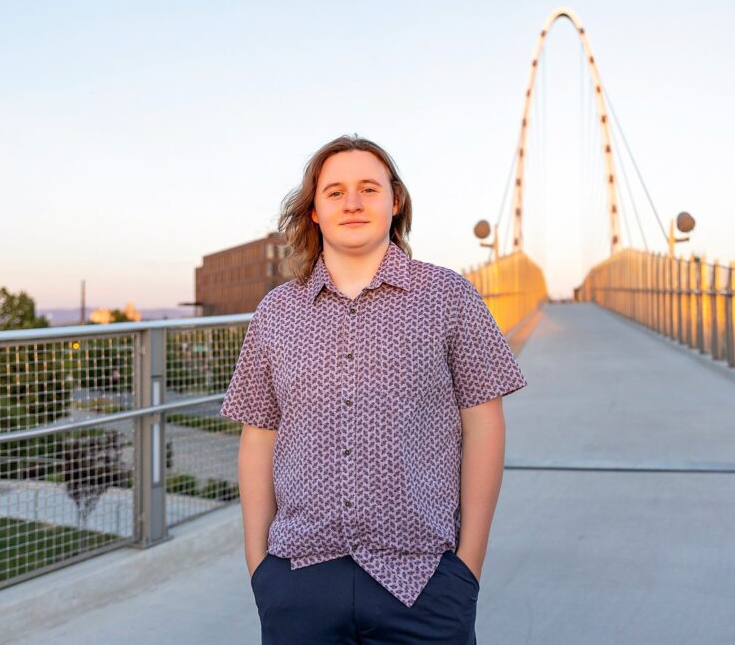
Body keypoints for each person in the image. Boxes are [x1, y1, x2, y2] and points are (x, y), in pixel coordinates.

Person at [220, 134, 527, 643]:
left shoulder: (448, 296)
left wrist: (467, 568)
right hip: (299, 579)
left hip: (425, 581)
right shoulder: (276, 312)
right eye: (335, 191)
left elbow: (484, 424)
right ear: (314, 211)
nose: (354, 202)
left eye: (369, 188)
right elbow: (259, 437)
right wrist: (261, 570)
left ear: (395, 201)